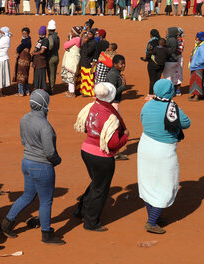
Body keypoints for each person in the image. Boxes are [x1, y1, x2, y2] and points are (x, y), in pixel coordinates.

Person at [0, 89, 65, 244]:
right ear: (44, 104)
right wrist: (57, 160)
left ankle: (6, 223)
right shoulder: (45, 126)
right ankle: (47, 234)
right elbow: (49, 152)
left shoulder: (25, 118)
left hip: (27, 162)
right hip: (42, 166)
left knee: (27, 196)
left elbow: (23, 141)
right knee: (45, 201)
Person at [138, 79, 191, 234]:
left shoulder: (147, 105)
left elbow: (142, 119)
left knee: (148, 182)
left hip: (145, 146)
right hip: (164, 150)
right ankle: (152, 222)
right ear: (170, 92)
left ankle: (155, 217)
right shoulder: (172, 107)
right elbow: (186, 123)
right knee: (166, 185)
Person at [74, 83, 129, 231]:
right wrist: (125, 137)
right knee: (100, 189)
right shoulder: (110, 115)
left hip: (86, 150)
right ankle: (91, 222)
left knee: (96, 183)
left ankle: (81, 209)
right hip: (102, 157)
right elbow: (113, 144)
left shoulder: (92, 106)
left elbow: (85, 126)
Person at [61, 26, 83, 98]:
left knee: (71, 75)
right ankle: (70, 91)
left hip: (72, 60)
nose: (71, 33)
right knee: (71, 75)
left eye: (72, 31)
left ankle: (72, 93)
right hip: (73, 59)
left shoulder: (76, 39)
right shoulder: (77, 39)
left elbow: (65, 46)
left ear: (75, 33)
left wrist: (68, 39)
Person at [141, 30, 162, 99]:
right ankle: (157, 94)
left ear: (151, 35)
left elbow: (148, 52)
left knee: (152, 80)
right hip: (161, 64)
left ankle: (150, 94)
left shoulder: (151, 42)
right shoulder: (161, 41)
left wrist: (145, 59)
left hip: (152, 64)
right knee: (158, 79)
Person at [163, 27, 183, 96]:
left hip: (170, 60)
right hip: (175, 60)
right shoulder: (176, 40)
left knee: (168, 76)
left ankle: (170, 91)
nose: (166, 34)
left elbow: (177, 51)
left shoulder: (169, 40)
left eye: (167, 32)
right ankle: (177, 91)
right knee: (177, 75)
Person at [188, 32, 204, 102]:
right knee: (194, 81)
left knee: (197, 81)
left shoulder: (203, 47)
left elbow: (202, 58)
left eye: (197, 37)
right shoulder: (198, 45)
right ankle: (195, 94)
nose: (195, 38)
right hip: (195, 67)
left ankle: (197, 96)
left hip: (198, 67)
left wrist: (195, 64)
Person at [13, 27, 32, 96]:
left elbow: (20, 47)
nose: (24, 35)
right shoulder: (28, 40)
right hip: (26, 61)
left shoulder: (26, 41)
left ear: (28, 34)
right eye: (23, 33)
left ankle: (20, 92)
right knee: (25, 76)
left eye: (25, 34)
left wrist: (17, 52)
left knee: (20, 76)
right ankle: (27, 91)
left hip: (22, 61)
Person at [30, 26, 49, 92]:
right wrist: (33, 51)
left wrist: (34, 54)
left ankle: (42, 89)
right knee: (36, 75)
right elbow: (36, 48)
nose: (40, 35)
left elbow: (42, 51)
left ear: (44, 34)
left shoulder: (45, 41)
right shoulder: (39, 40)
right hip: (37, 62)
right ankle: (36, 87)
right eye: (39, 34)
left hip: (41, 62)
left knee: (41, 75)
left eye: (41, 34)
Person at [46, 20, 60, 94]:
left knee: (51, 73)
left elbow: (51, 45)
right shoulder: (57, 37)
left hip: (51, 57)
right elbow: (58, 47)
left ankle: (51, 89)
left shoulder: (51, 37)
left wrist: (48, 50)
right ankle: (52, 86)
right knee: (54, 73)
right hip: (56, 56)